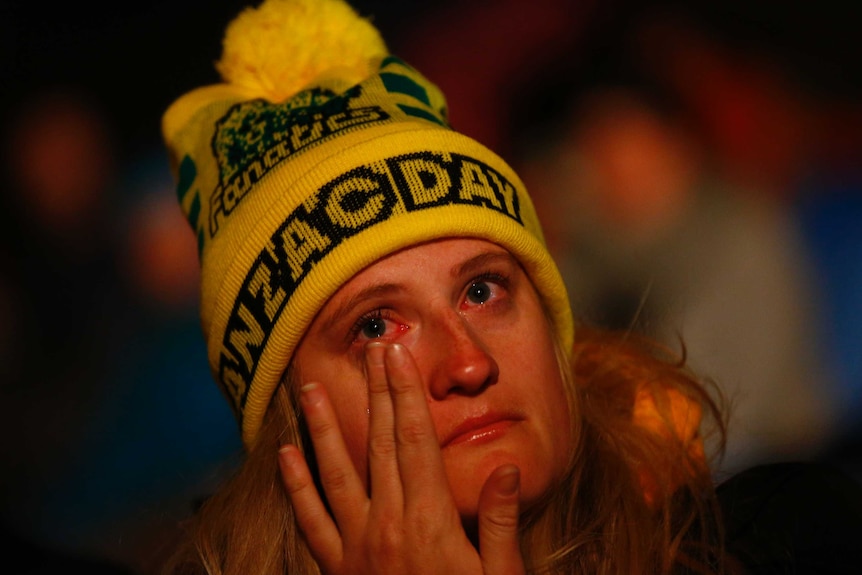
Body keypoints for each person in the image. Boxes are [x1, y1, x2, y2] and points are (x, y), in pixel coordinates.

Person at [158, 1, 862, 574]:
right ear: (289, 422)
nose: (468, 362)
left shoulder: (788, 536)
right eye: (375, 326)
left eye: (483, 290)